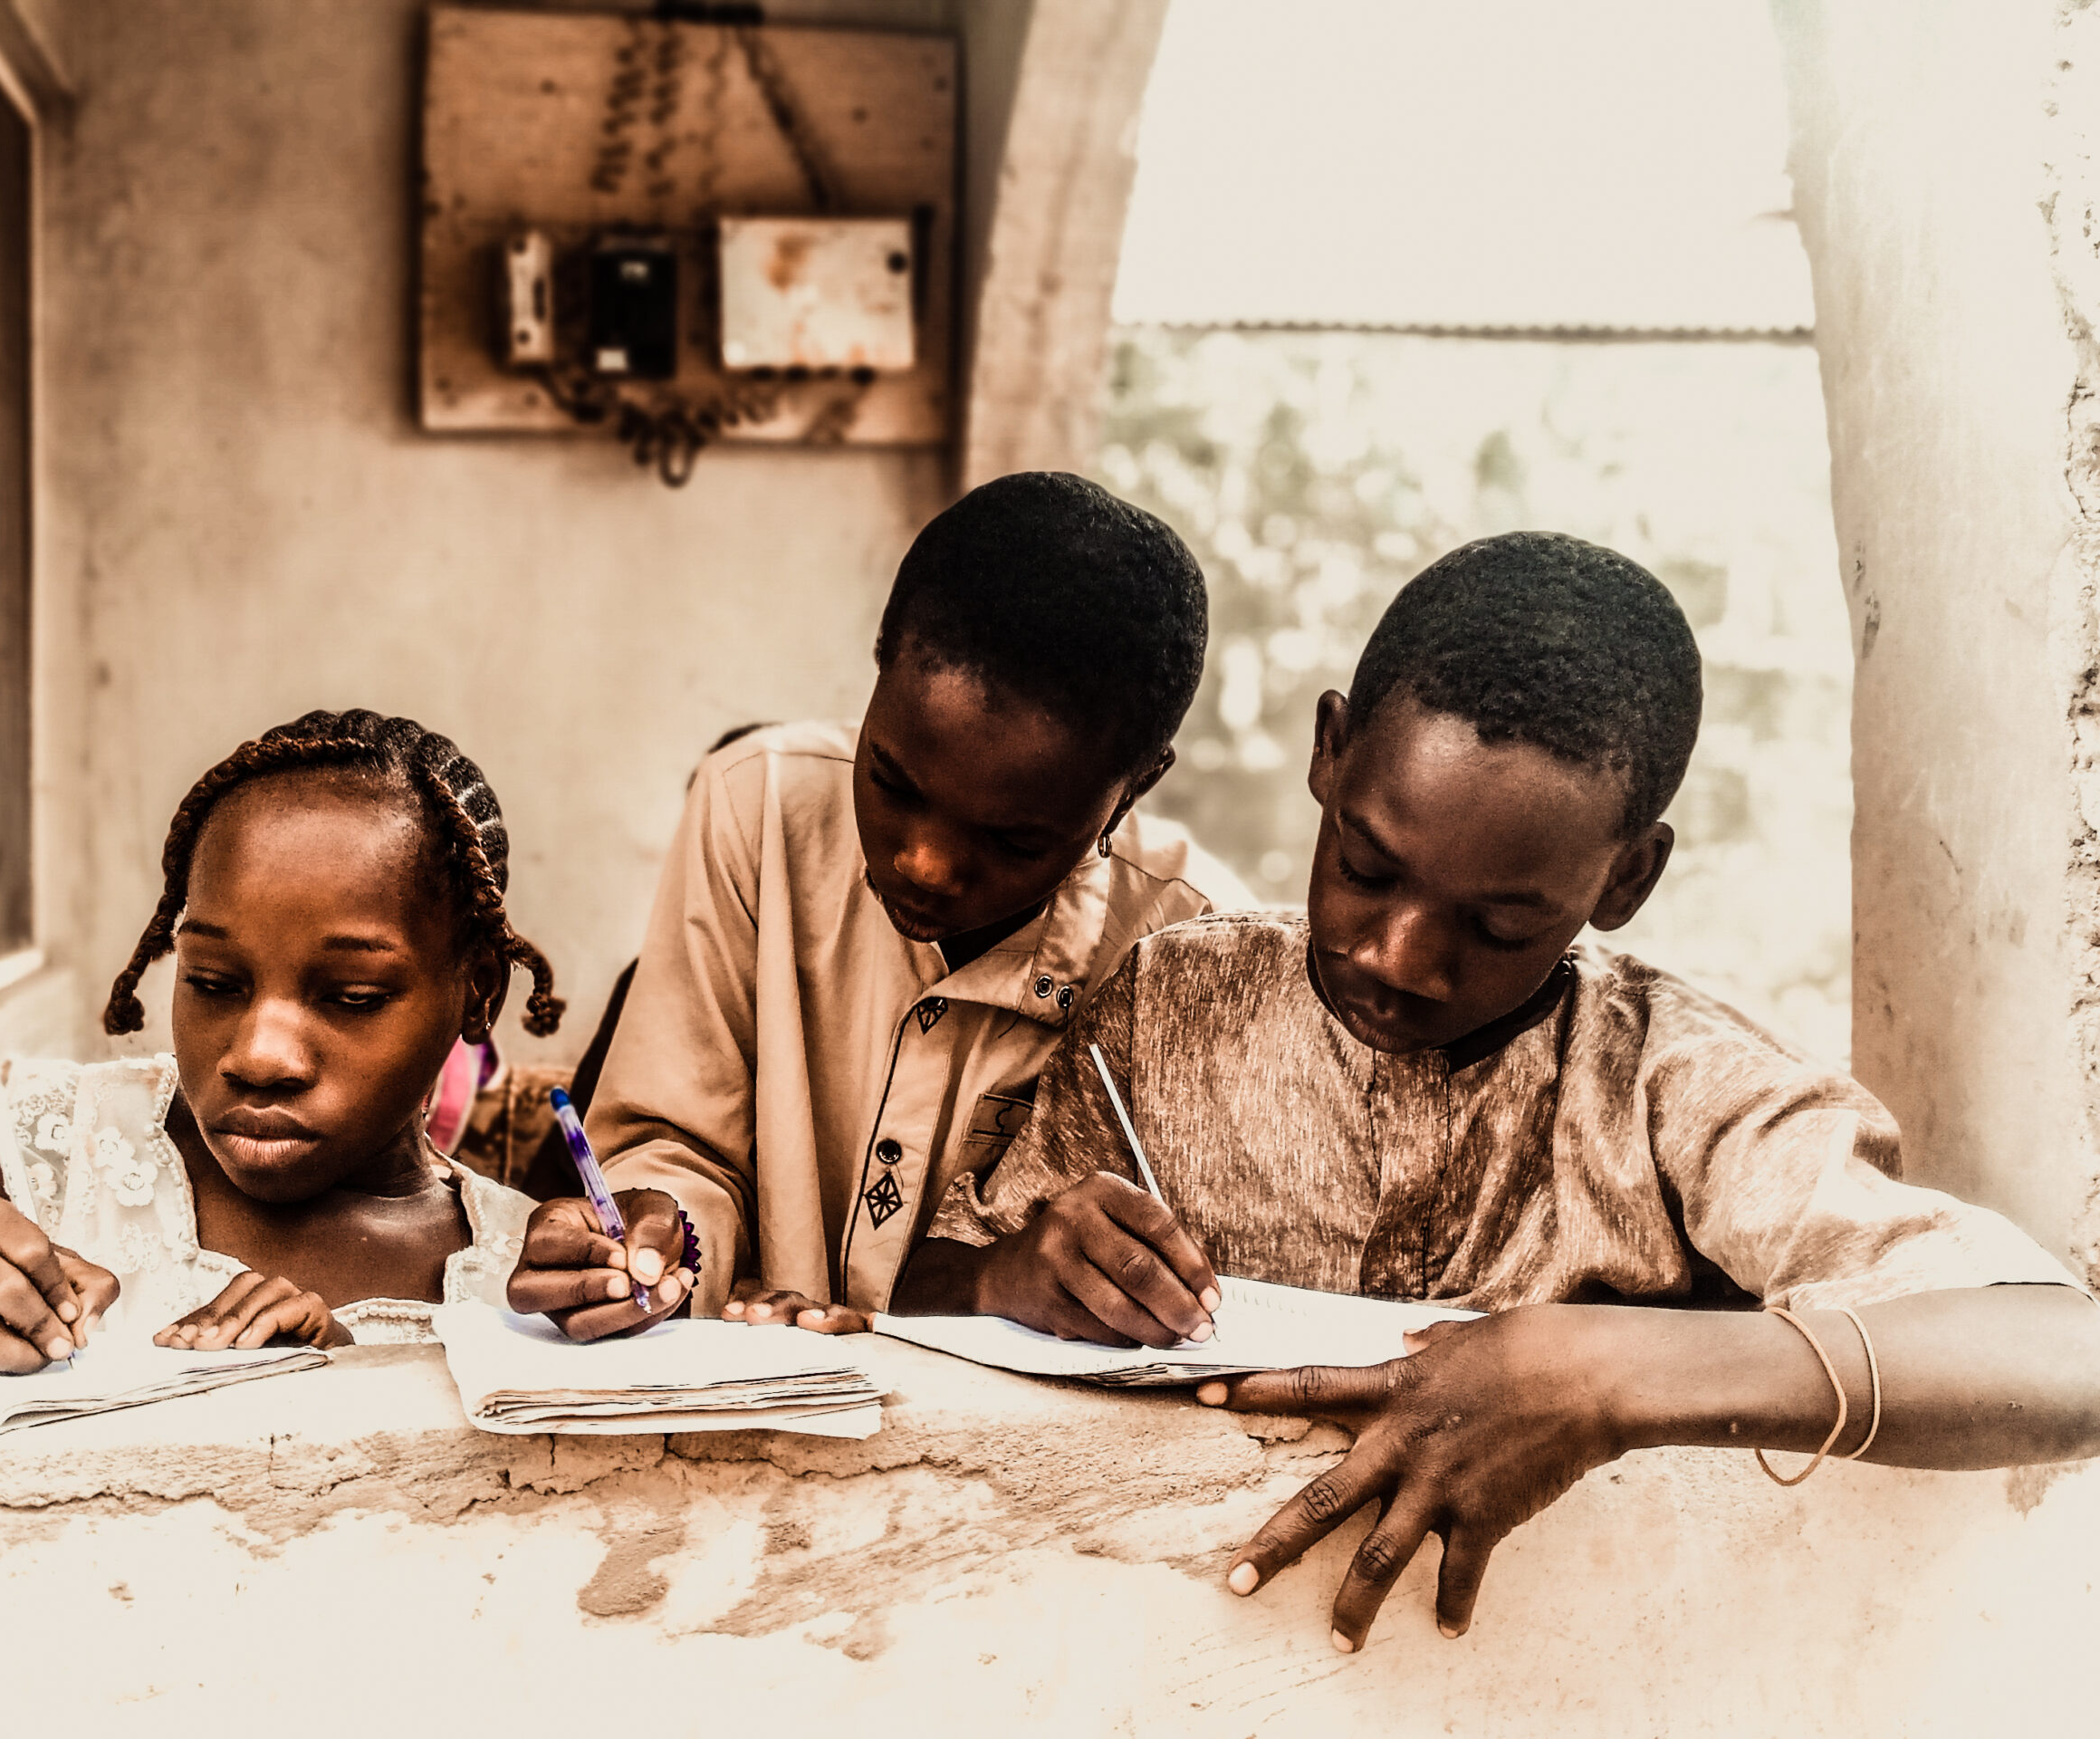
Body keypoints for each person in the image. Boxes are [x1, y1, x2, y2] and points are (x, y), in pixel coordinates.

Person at [894, 531, 2100, 1651]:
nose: (1397, 957)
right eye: (1366, 868)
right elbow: (927, 1294)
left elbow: (2064, 1359)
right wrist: (1012, 1278)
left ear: (1626, 878)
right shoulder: (1170, 1003)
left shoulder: (1673, 1086)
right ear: (1330, 751)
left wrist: (1603, 1375)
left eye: (1502, 922)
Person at [505, 473, 1248, 1341]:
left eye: (1013, 842)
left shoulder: (1189, 949)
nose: (925, 865)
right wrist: (658, 1229)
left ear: (1133, 789)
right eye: (893, 782)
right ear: (881, 657)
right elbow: (677, 1143)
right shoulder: (759, 806)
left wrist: (1003, 1287)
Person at [0, 709, 566, 1365]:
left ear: (478, 991)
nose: (260, 1056)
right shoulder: (80, 1145)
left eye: (352, 997)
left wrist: (340, 1378)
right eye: (214, 984)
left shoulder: (527, 1277)